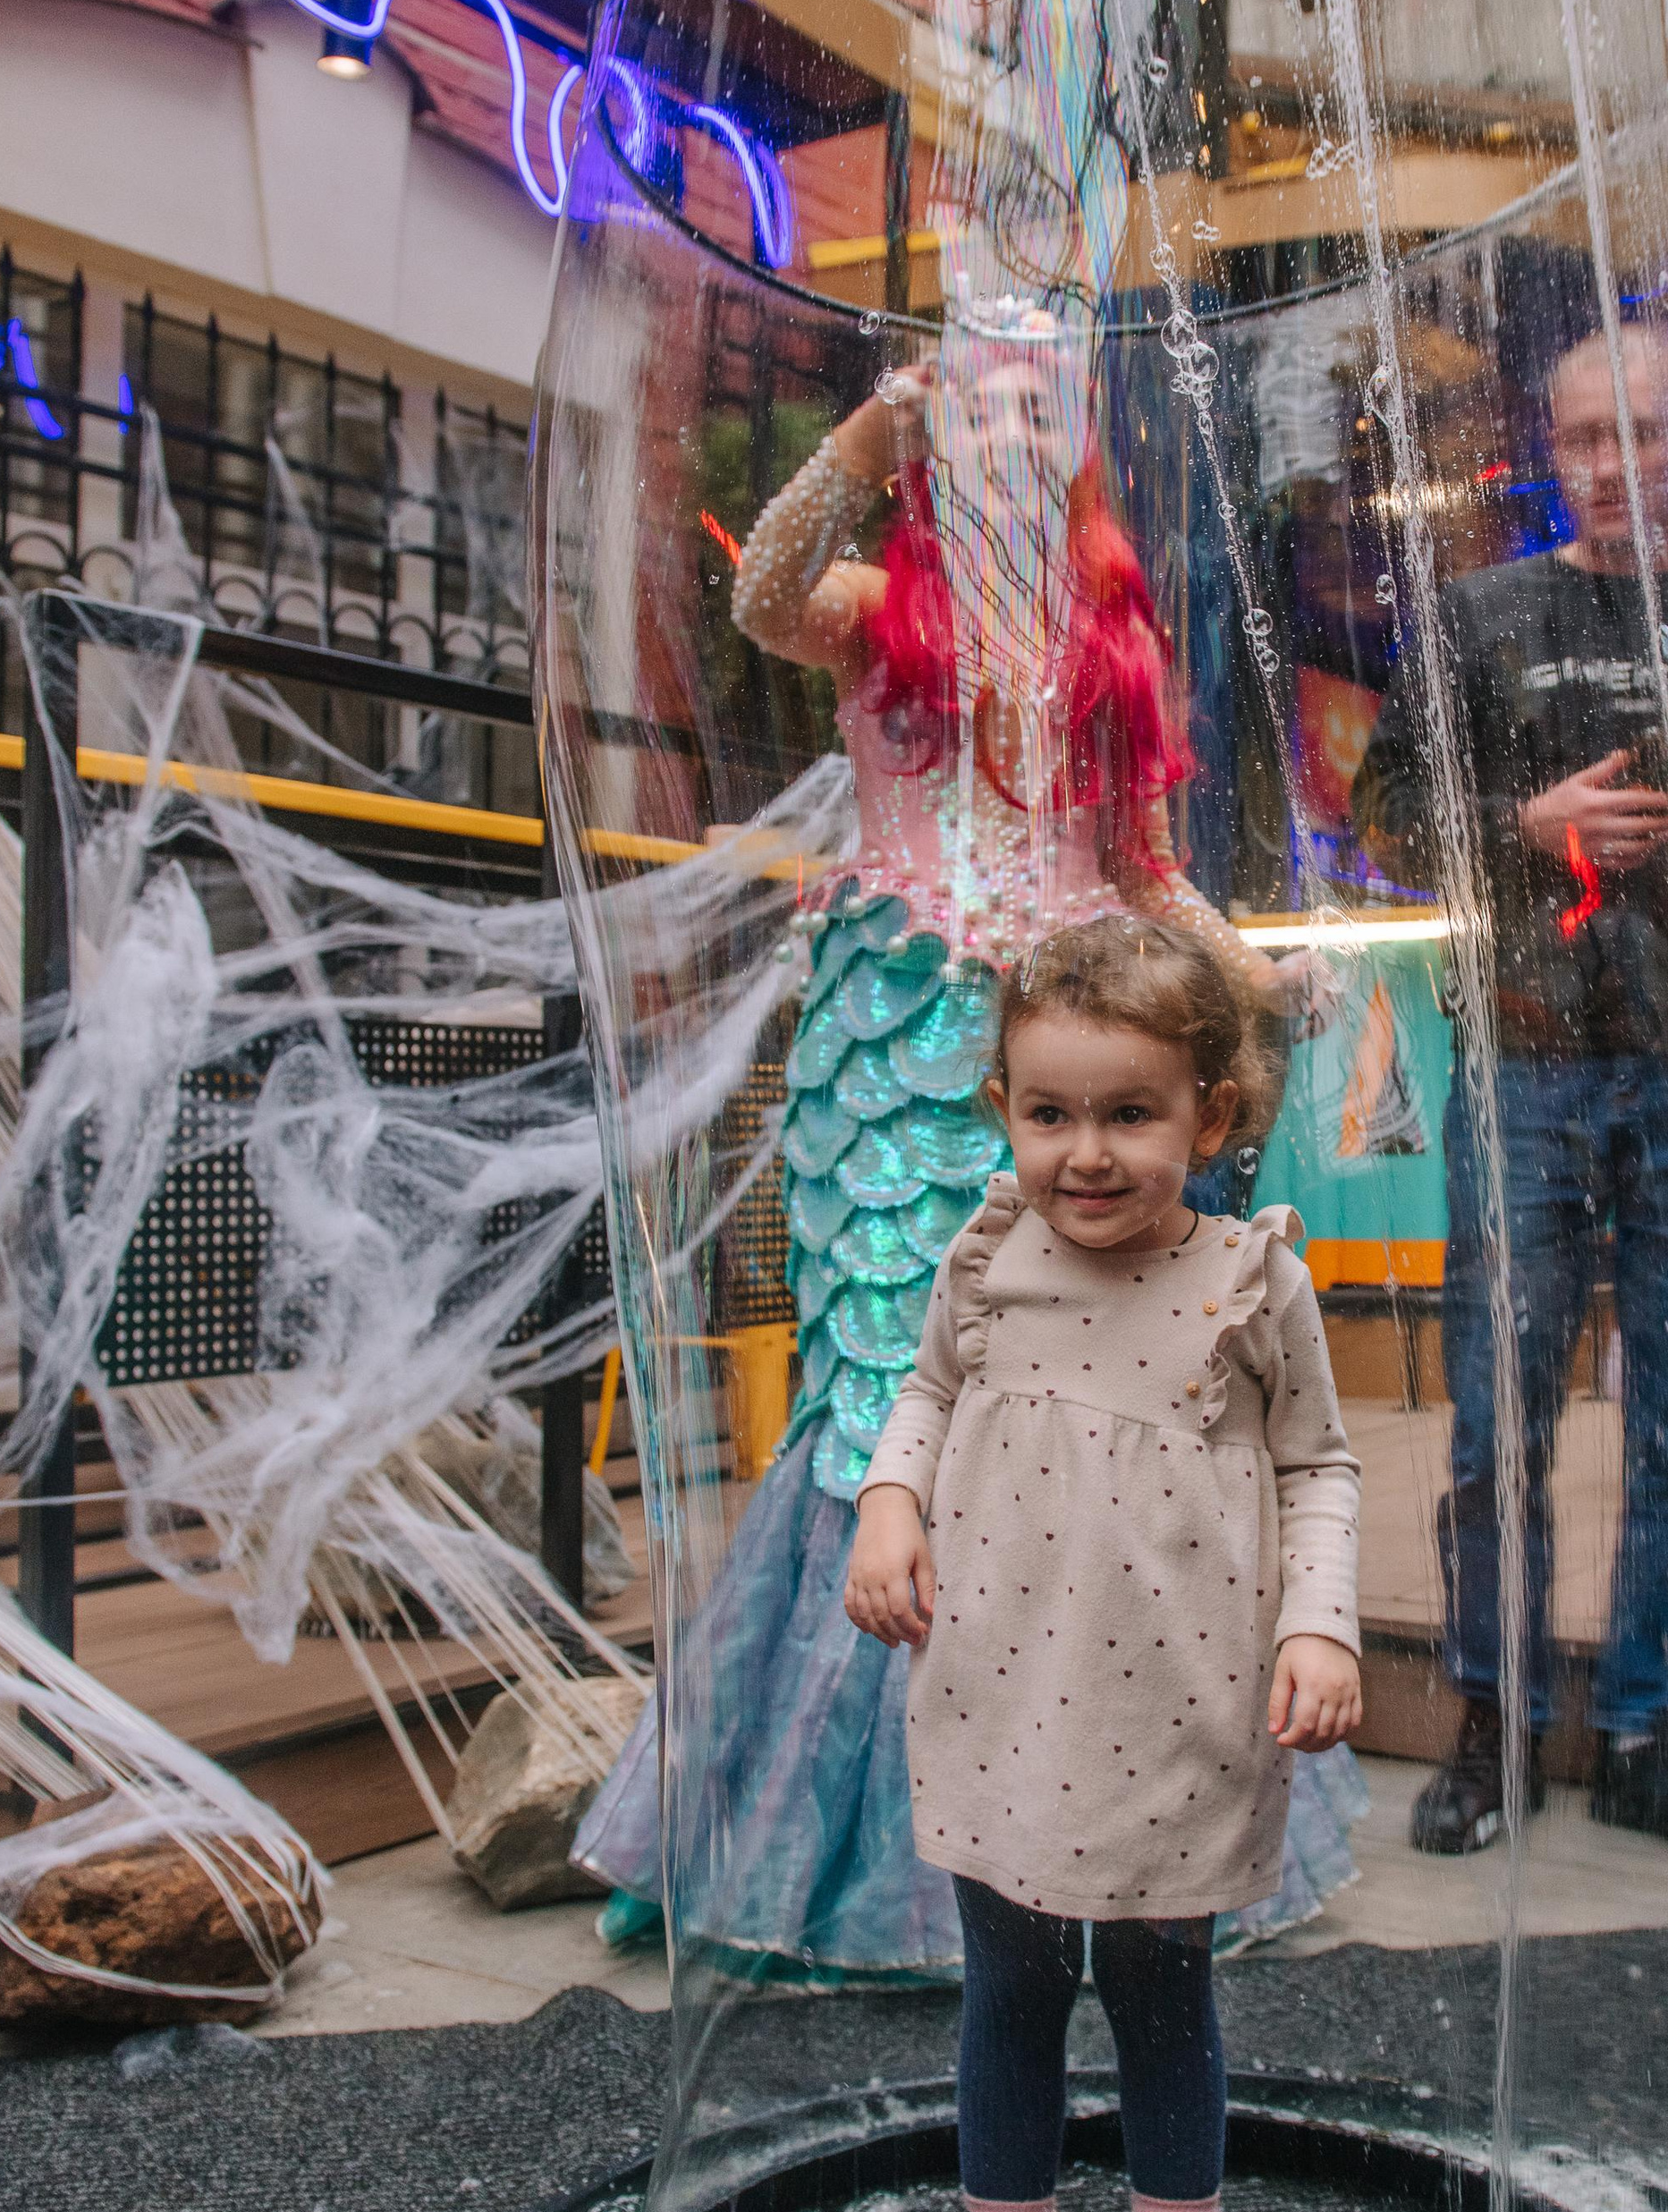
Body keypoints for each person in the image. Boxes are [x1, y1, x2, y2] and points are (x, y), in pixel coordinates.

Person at [573, 354, 1363, 1973]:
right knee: (894, 1376)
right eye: (977, 411)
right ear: (934, 445)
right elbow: (762, 593)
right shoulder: (875, 603)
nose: (1007, 433)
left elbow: (1141, 867)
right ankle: (855, 1855)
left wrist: (1251, 972)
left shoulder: (1111, 642)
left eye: (1036, 410)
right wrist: (863, 438)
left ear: (1077, 451)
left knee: (1073, 1384)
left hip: (1072, 1059)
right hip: (899, 1049)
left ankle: (1102, 1804)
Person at [845, 915, 1363, 2212]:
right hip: (1003, 1693)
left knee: (1160, 1990)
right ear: (1003, 1109)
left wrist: (1320, 1625)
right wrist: (888, 1499)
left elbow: (1317, 1464)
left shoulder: (1253, 1281)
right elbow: (926, 1392)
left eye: (1131, 1113)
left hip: (1177, 1711)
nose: (1085, 1152)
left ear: (1211, 1115)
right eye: (1049, 1112)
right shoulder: (985, 1257)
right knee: (1009, 1987)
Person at [1350, 318, 1668, 1856]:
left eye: (1645, 433)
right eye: (1586, 437)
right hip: (1525, 1068)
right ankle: (1493, 1725)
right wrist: (1521, 826)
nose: (1612, 465)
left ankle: (1655, 1737)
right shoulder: (1479, 613)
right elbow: (1384, 818)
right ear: (1553, 448)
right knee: (1498, 1426)